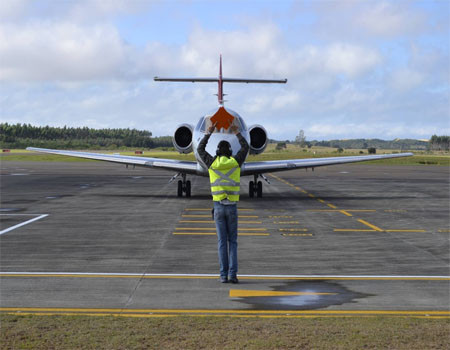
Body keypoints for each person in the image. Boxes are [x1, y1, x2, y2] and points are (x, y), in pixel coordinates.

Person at [197, 122, 249, 283]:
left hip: (218, 208)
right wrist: (237, 133)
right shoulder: (235, 163)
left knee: (221, 243)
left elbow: (200, 150)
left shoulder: (212, 163)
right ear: (231, 152)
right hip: (232, 208)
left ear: (218, 152)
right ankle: (232, 275)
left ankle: (222, 276)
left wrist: (208, 133)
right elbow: (245, 148)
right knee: (232, 242)